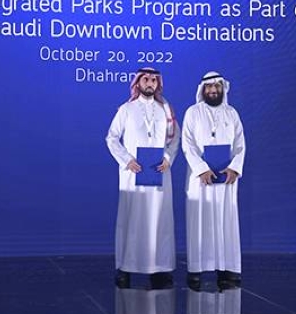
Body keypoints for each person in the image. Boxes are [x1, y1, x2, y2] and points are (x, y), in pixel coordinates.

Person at [105, 67, 179, 288]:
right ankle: (125, 268)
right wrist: (127, 160)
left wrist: (168, 158)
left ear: (158, 84)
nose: (150, 83)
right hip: (133, 174)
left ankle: (160, 269)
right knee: (132, 219)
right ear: (138, 83)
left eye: (154, 80)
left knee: (159, 220)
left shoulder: (166, 110)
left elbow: (175, 139)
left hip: (159, 173)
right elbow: (111, 138)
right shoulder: (126, 109)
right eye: (146, 79)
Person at [182, 71, 245, 289]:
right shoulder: (193, 113)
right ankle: (197, 269)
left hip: (226, 179)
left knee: (226, 220)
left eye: (217, 86)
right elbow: (187, 144)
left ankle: (229, 268)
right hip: (201, 180)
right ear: (203, 89)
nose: (213, 90)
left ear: (222, 89)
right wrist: (201, 169)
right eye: (209, 87)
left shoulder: (232, 113)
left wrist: (235, 168)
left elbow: (240, 144)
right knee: (200, 222)